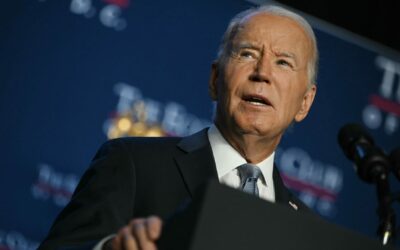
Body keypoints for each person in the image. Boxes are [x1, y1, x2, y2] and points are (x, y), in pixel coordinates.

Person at [38, 4, 318, 250]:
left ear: (305, 102)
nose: (262, 73)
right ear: (214, 79)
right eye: (247, 54)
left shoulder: (305, 228)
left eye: (283, 62)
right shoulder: (133, 163)